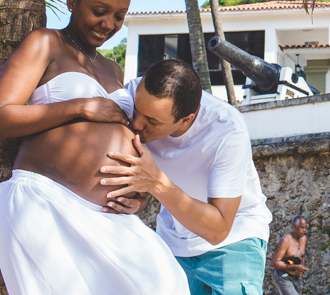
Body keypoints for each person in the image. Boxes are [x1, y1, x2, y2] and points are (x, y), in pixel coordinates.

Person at [0, 0, 189, 295]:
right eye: (99, 11)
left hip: (108, 219)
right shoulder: (46, 43)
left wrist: (137, 194)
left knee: (166, 282)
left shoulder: (112, 69)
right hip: (45, 204)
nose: (109, 23)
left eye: (119, 16)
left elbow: (127, 138)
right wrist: (81, 106)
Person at [101, 59, 273, 295]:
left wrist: (156, 183)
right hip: (173, 239)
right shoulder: (131, 94)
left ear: (186, 120)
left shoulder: (227, 131)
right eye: (138, 110)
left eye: (152, 121)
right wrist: (139, 200)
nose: (137, 123)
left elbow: (218, 229)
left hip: (234, 240)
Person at [270, 216, 308, 295]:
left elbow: (302, 255)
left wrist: (300, 275)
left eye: (305, 228)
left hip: (297, 278)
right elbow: (274, 263)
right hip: (284, 276)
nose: (304, 230)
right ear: (294, 227)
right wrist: (294, 267)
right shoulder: (286, 240)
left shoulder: (304, 239)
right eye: (302, 228)